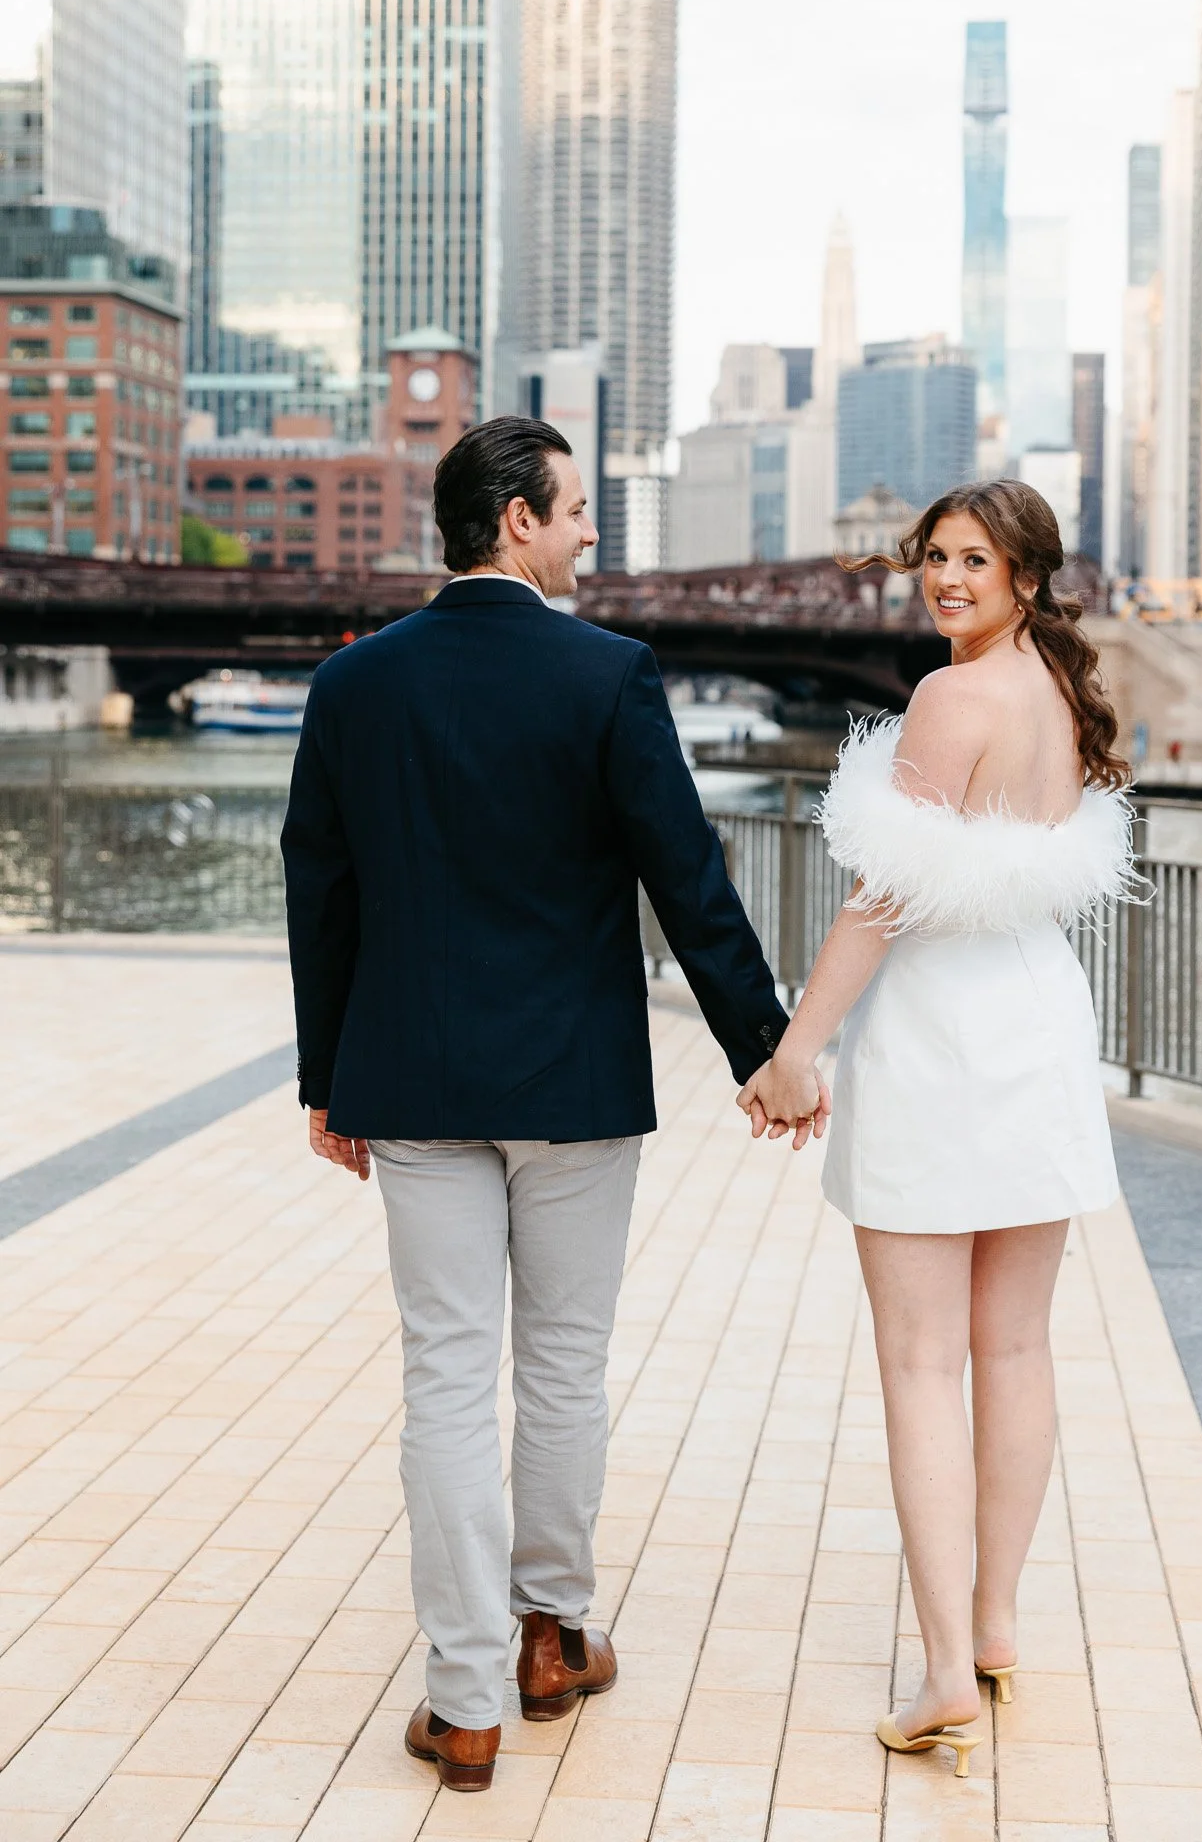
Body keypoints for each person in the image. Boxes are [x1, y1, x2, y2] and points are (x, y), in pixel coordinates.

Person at [281, 415, 825, 1793]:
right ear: (516, 517)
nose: (592, 531)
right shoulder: (607, 676)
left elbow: (320, 892)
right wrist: (762, 1048)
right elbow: (685, 877)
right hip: (575, 1085)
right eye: (577, 509)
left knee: (447, 1382)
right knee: (565, 1366)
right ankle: (550, 1635)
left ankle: (461, 1705)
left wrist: (328, 1078)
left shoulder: (357, 687)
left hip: (410, 1081)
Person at [740, 479, 1134, 1779]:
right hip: (1039, 1020)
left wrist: (797, 1050)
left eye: (975, 560)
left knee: (924, 1365)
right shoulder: (1059, 696)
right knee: (1015, 1346)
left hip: (939, 1042)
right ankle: (999, 1629)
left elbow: (882, 900)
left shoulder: (950, 699)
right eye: (936, 559)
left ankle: (946, 1671)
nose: (947, 580)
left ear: (1028, 575)